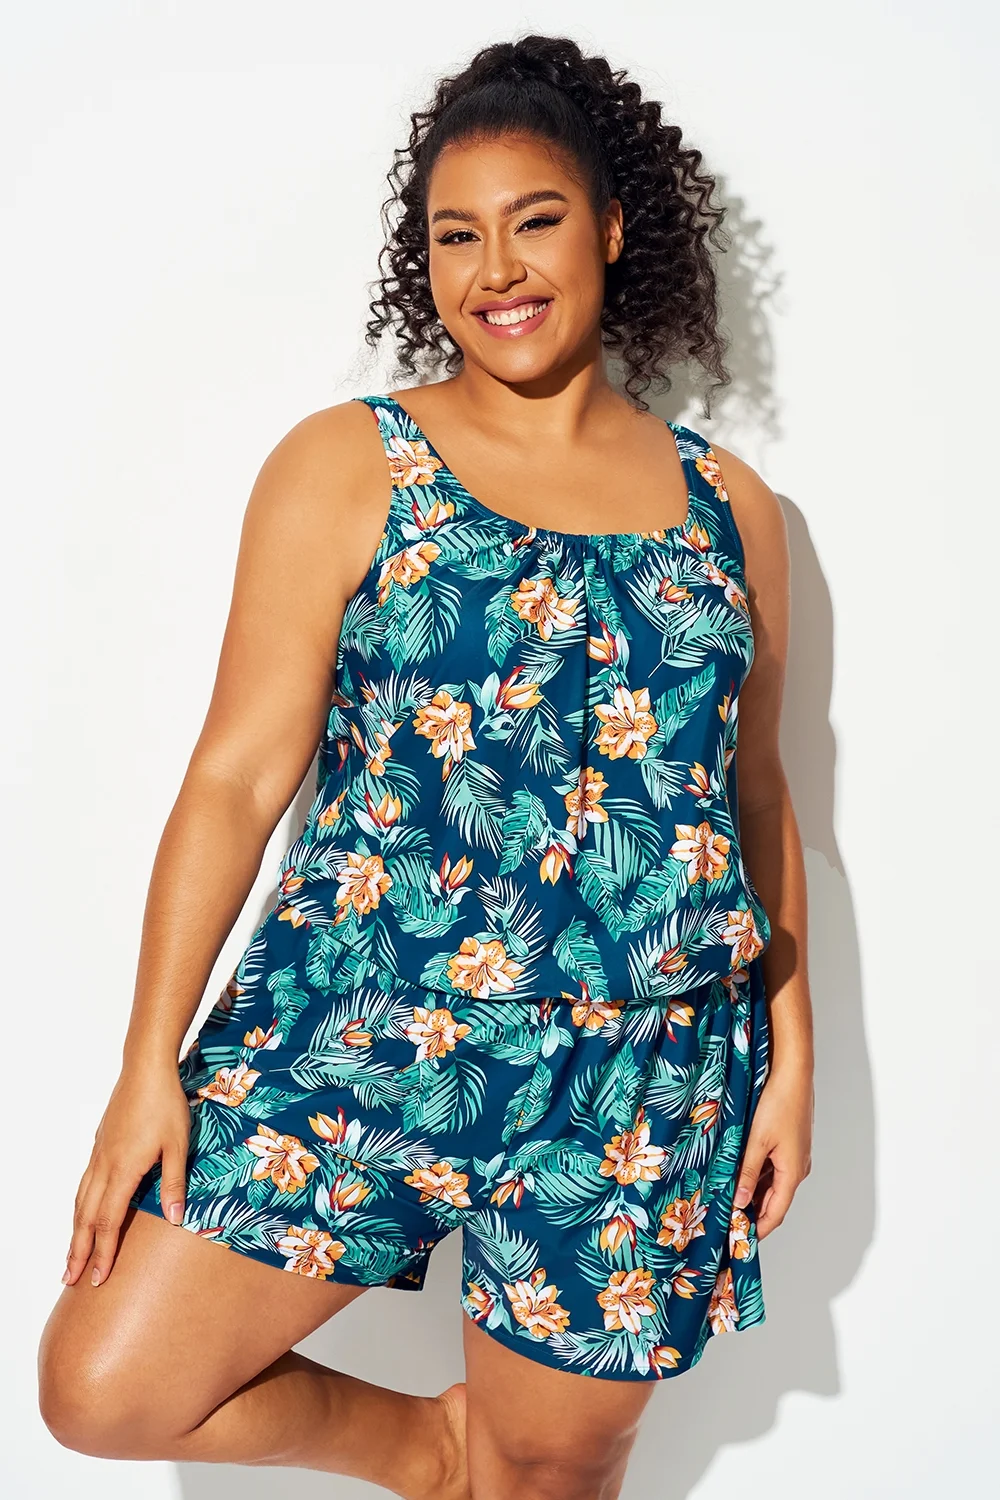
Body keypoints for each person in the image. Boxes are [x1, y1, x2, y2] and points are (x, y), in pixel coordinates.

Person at [38, 32, 814, 1500]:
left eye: (534, 220)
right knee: (104, 1386)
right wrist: (148, 1068)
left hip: (644, 1066)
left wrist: (793, 1064)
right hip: (368, 1022)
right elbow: (235, 779)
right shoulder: (349, 464)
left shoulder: (734, 509)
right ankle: (432, 1453)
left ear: (611, 229)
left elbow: (756, 798)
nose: (495, 269)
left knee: (552, 1471)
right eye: (456, 235)